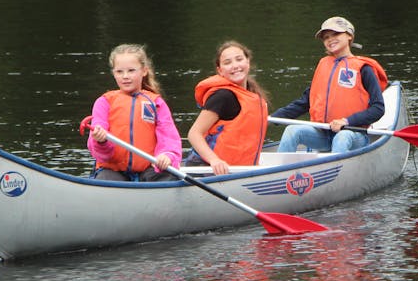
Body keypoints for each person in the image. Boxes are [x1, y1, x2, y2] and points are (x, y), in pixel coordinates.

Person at [272, 16, 388, 153]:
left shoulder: (364, 69)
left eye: (336, 34)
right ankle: (284, 172)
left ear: (349, 36)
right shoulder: (323, 66)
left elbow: (378, 108)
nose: (330, 39)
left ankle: (338, 172)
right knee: (292, 131)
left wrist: (346, 121)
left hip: (354, 134)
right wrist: (273, 118)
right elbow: (305, 102)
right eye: (326, 37)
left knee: (342, 137)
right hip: (324, 134)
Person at [87, 44, 182, 181]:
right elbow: (99, 153)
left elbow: (169, 137)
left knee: (169, 174)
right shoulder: (104, 102)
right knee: (105, 179)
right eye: (119, 72)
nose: (125, 76)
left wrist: (167, 155)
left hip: (148, 169)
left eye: (131, 70)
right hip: (113, 171)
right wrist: (100, 141)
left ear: (144, 71)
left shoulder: (156, 103)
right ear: (114, 73)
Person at [186, 41, 269, 175]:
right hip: (208, 168)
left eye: (239, 59)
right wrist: (214, 160)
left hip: (237, 169)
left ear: (248, 62)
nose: (235, 66)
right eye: (227, 62)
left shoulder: (252, 95)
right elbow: (194, 134)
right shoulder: (223, 96)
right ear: (220, 70)